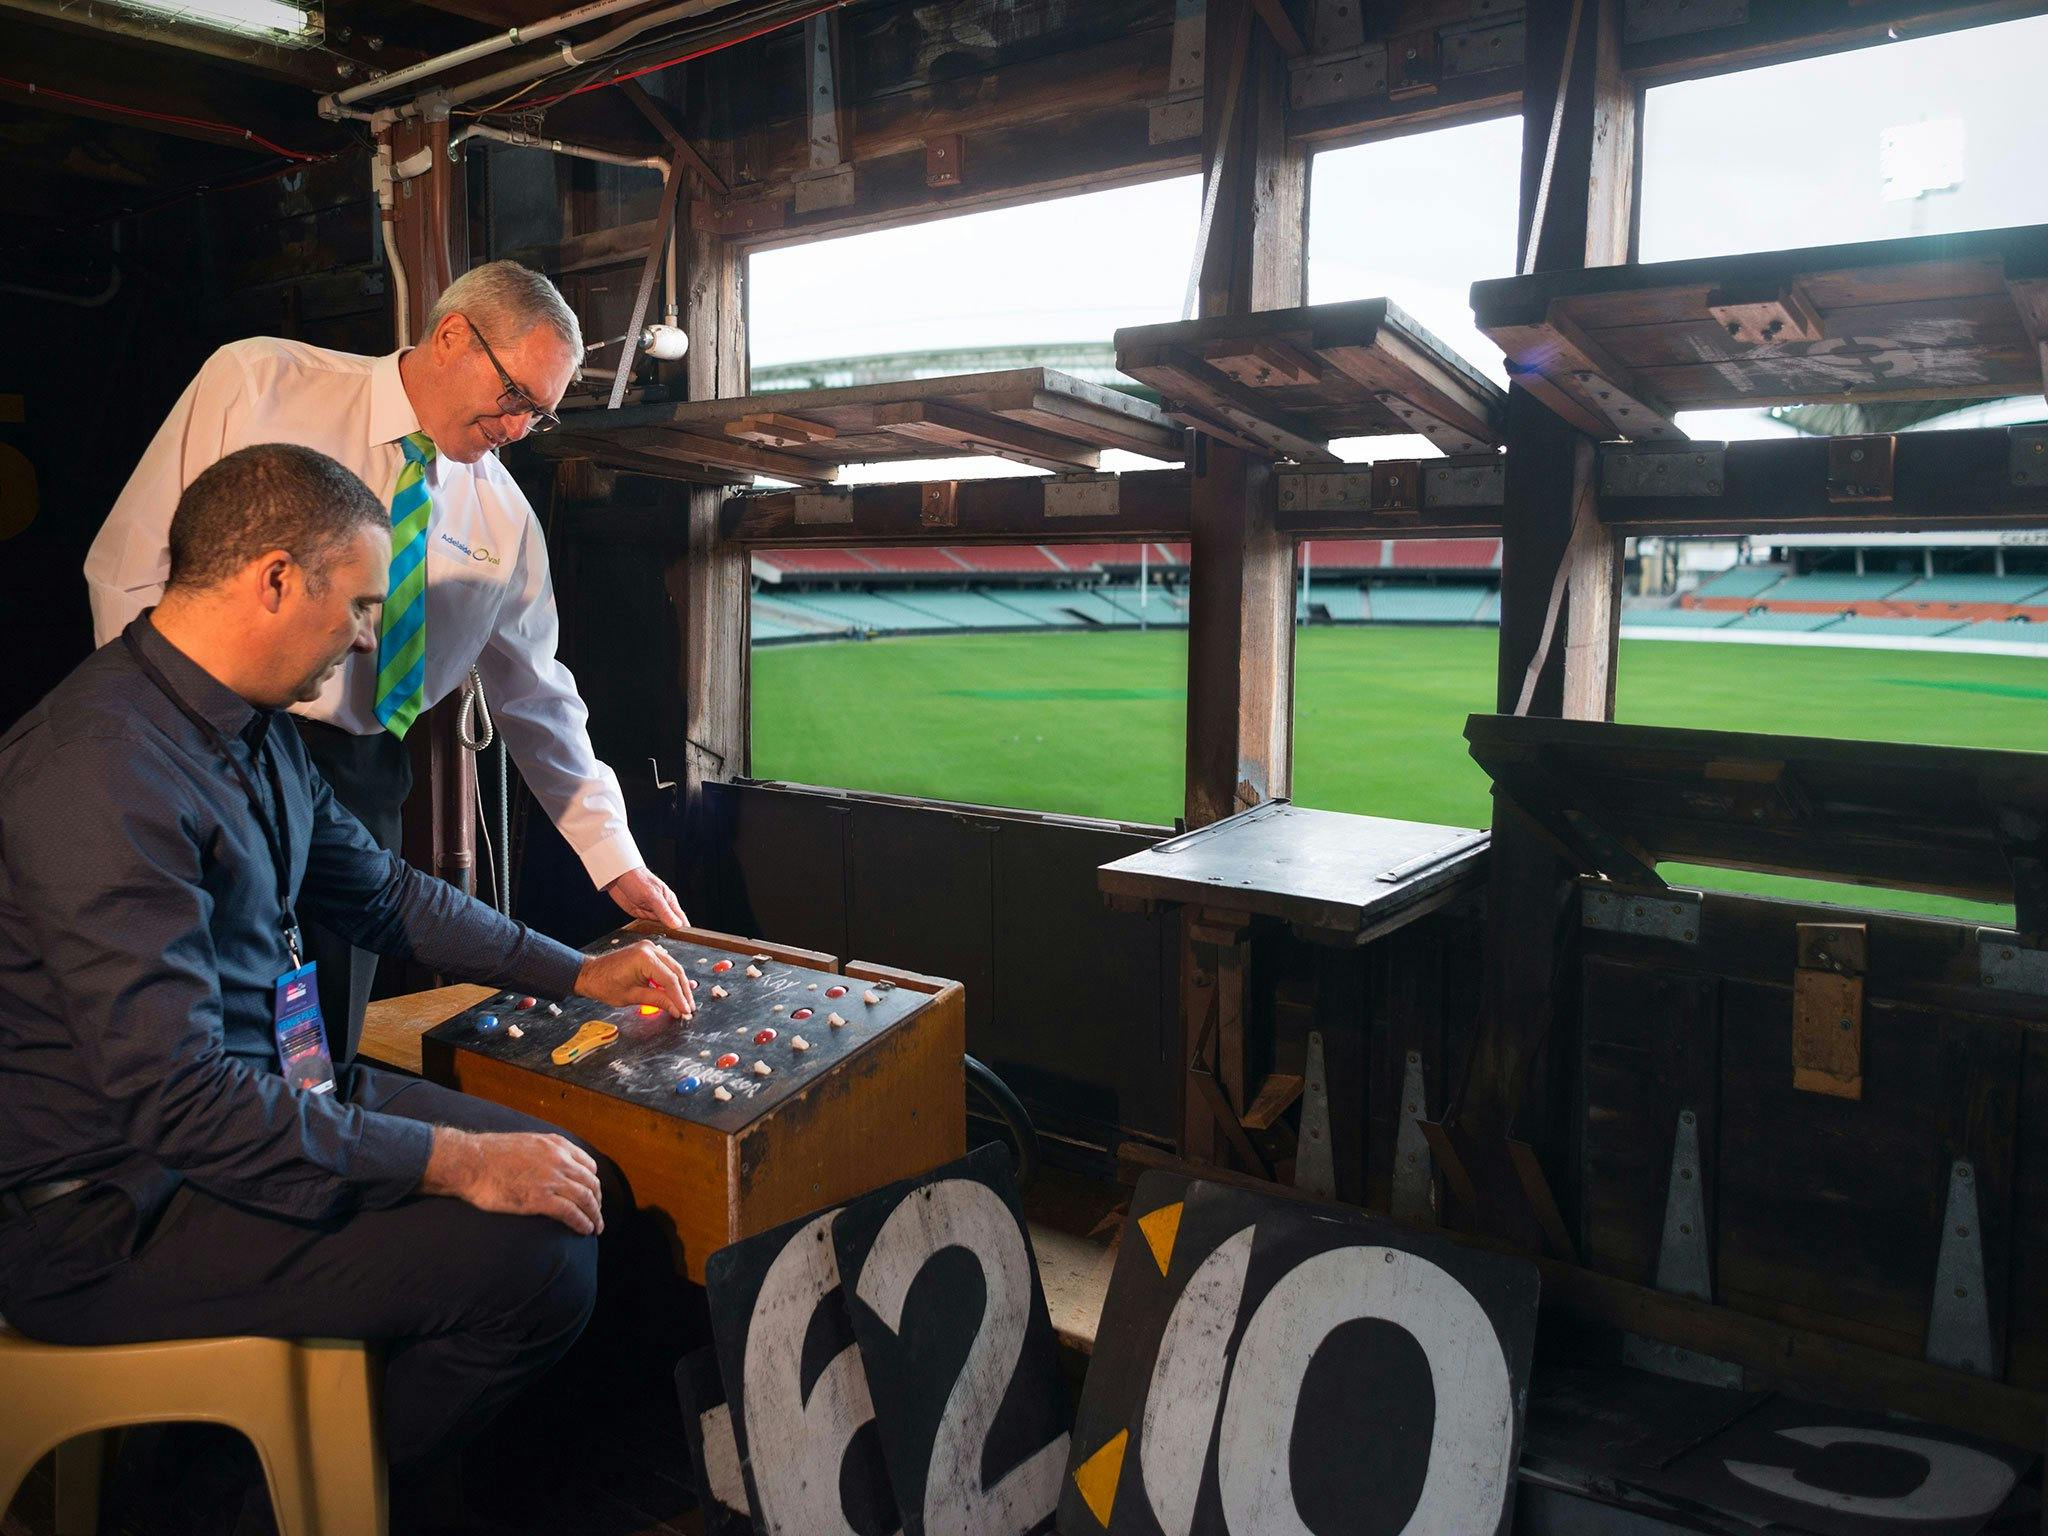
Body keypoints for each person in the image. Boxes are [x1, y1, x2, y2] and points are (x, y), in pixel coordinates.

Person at [0, 443, 695, 1525]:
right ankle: (250, 1507)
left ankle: (335, 1478)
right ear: (276, 577)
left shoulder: (251, 729)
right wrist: (455, 1161)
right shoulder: (98, 768)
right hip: (114, 1206)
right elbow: (180, 1103)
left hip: (260, 1108)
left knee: (573, 1177)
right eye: (362, 604)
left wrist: (577, 973)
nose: (370, 636)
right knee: (538, 1262)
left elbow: (386, 895)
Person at [84, 259, 686, 1064]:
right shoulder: (258, 381)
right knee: (193, 1003)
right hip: (206, 733)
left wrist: (615, 862)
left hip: (362, 772)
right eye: (513, 396)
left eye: (537, 416)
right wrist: (147, 741)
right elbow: (128, 566)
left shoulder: (505, 520)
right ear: (451, 337)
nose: (515, 430)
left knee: (319, 1033)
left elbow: (539, 700)